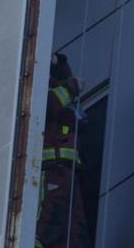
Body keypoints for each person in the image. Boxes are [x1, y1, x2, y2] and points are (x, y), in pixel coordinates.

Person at [36, 53, 92, 248]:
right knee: (51, 221)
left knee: (75, 229)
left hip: (69, 172)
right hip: (51, 170)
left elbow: (62, 82)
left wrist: (60, 62)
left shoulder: (53, 84)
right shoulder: (33, 87)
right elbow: (46, 105)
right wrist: (72, 87)